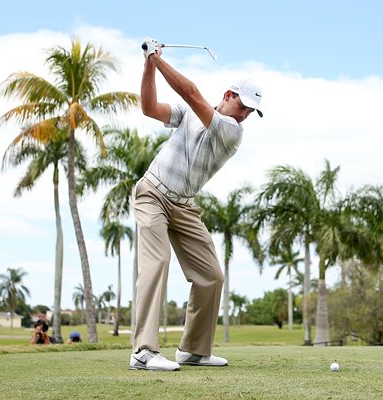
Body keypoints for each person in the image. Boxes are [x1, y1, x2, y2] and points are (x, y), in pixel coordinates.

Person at [129, 39, 263, 371]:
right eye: (243, 105)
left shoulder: (232, 132)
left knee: (211, 275)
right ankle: (143, 351)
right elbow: (150, 107)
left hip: (185, 207)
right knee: (157, 262)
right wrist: (149, 66)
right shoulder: (191, 115)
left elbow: (190, 92)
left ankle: (192, 349)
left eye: (251, 111)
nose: (245, 114)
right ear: (229, 95)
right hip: (153, 194)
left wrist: (156, 59)